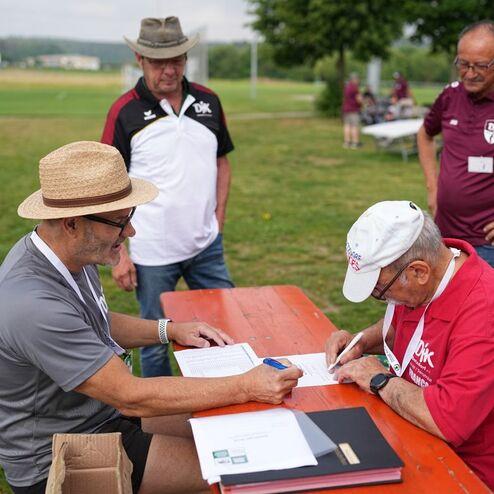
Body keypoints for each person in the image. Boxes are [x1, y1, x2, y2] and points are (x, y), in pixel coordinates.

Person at [0, 141, 303, 494]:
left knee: (235, 424)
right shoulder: (33, 304)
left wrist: (169, 329)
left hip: (100, 415)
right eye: (119, 222)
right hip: (59, 453)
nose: (130, 232)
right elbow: (130, 394)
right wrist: (246, 384)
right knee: (240, 466)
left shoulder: (67, 253)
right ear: (71, 224)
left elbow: (93, 321)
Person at [325, 200, 494, 489]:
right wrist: (361, 340)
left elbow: (446, 420)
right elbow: (402, 326)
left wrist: (378, 379)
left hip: (465, 472)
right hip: (412, 434)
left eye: (380, 290)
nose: (382, 299)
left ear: (418, 272)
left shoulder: (483, 313)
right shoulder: (431, 280)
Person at [101, 16, 235, 377]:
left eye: (176, 60)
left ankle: (231, 393)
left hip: (206, 245)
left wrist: (218, 219)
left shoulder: (209, 101)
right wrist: (120, 254)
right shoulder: (124, 111)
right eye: (159, 62)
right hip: (152, 253)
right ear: (139, 59)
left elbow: (221, 162)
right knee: (154, 339)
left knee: (229, 323)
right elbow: (108, 185)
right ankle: (160, 409)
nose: (169, 70)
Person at [417, 20, 494, 267]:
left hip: (487, 246)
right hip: (444, 237)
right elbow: (425, 134)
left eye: (480, 65)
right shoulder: (450, 95)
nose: (469, 73)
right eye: (463, 64)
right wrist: (432, 187)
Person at [341, 73, 362, 149]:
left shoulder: (347, 87)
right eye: (357, 79)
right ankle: (355, 143)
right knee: (354, 126)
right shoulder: (355, 88)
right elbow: (359, 99)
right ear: (354, 79)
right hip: (353, 109)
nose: (358, 80)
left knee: (347, 125)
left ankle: (347, 142)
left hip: (346, 109)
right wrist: (362, 104)